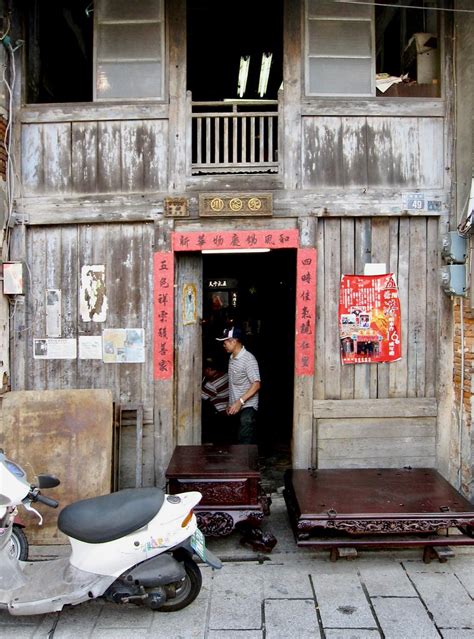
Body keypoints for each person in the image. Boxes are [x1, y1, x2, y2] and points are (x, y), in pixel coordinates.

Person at [216, 326, 261, 445]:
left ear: (234, 341)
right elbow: (234, 384)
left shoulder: (248, 359)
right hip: (235, 406)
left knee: (244, 441)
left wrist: (239, 402)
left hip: (247, 407)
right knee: (235, 440)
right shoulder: (232, 358)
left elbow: (256, 385)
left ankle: (247, 463)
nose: (223, 345)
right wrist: (230, 403)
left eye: (225, 342)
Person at [201, 358, 229, 444]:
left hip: (220, 413)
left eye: (204, 370)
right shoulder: (225, 375)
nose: (203, 372)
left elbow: (201, 397)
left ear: (209, 369)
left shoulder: (211, 384)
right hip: (229, 408)